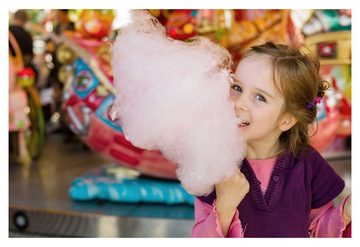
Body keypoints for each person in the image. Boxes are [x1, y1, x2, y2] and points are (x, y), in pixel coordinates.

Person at [192, 42, 351, 237]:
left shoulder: (308, 165)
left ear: (286, 120)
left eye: (260, 97)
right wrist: (225, 207)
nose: (239, 103)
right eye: (237, 87)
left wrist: (347, 212)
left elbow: (321, 233)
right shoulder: (215, 165)